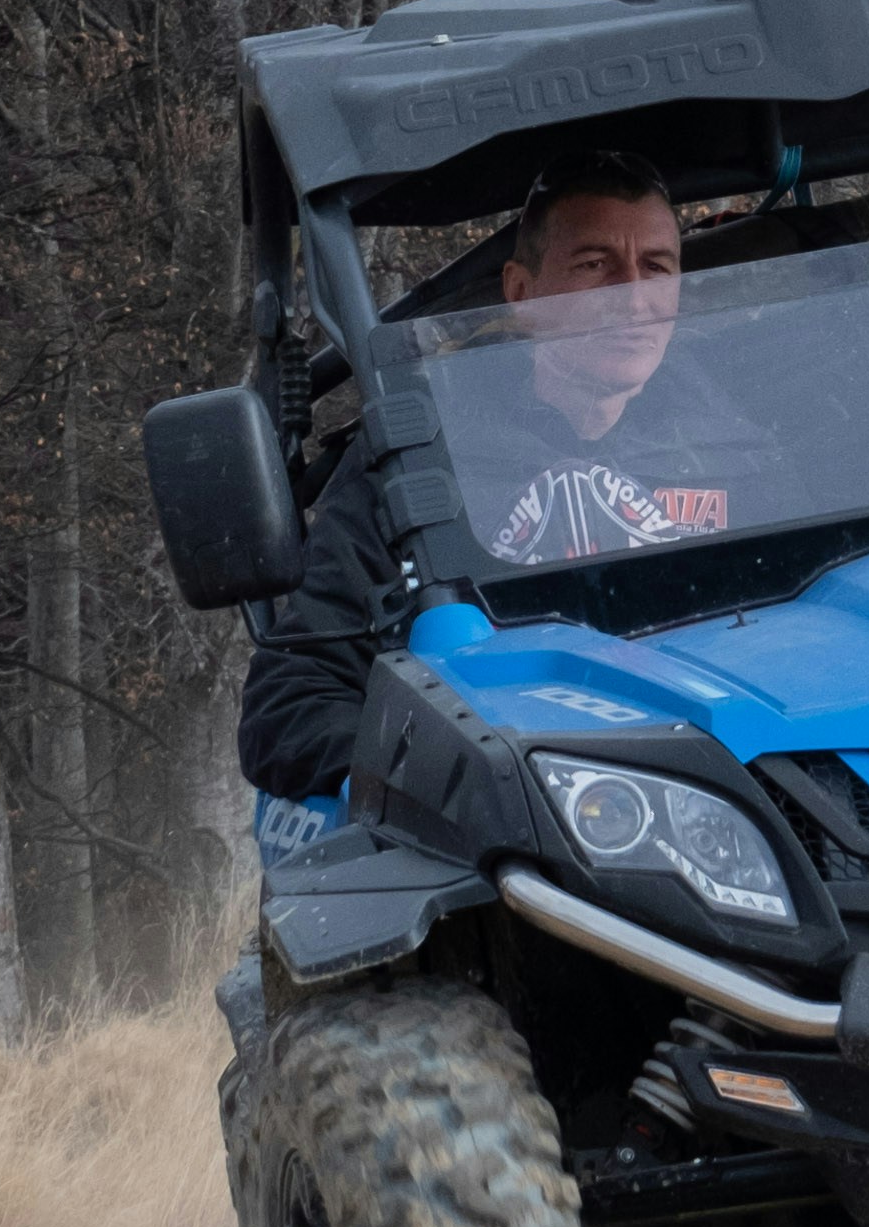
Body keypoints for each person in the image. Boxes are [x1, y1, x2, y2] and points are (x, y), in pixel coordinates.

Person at [236, 165, 725, 801]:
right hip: (517, 842)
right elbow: (290, 699)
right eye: (594, 265)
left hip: (745, 792)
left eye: (657, 267)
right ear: (520, 292)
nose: (631, 297)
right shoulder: (418, 459)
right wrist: (441, 779)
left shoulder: (736, 448)